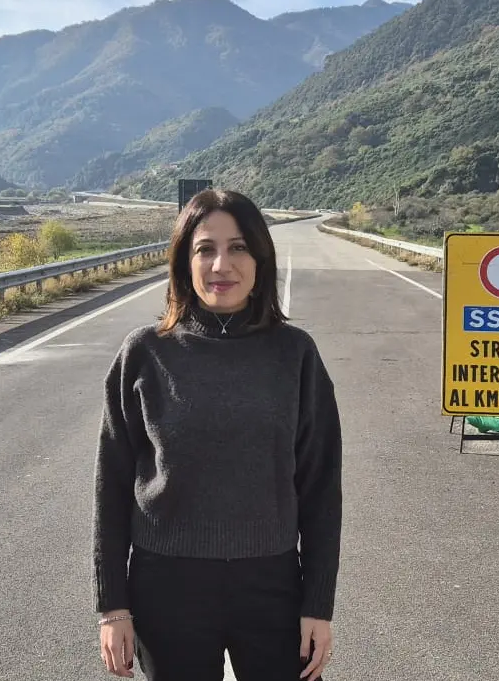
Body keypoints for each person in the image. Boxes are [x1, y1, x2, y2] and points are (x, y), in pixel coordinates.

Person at [95, 189, 344, 680]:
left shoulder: (295, 355)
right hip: (166, 587)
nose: (220, 265)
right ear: (184, 261)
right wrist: (113, 607)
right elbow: (112, 485)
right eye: (205, 249)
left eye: (238, 247)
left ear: (260, 259)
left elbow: (321, 489)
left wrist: (318, 604)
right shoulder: (145, 353)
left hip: (271, 585)